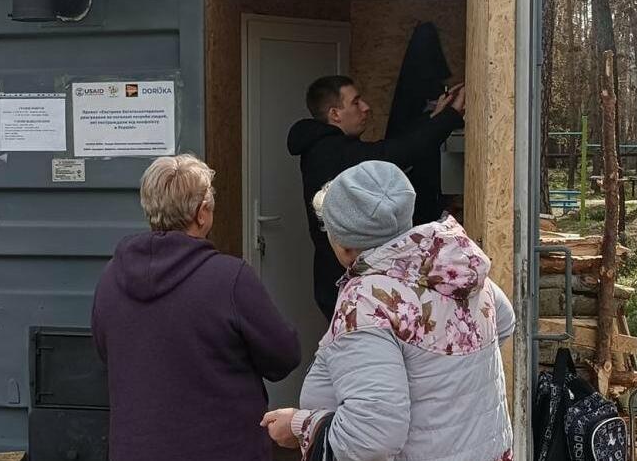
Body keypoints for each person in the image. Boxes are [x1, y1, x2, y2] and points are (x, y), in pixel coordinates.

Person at [261, 161, 515, 461]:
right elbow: (504, 321)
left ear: (343, 244)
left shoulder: (367, 300)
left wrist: (300, 426)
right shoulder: (451, 267)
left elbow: (371, 436)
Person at [92, 154, 301, 461]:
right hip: (223, 449)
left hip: (135, 449)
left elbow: (105, 352)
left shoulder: (112, 276)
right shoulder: (230, 278)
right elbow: (283, 357)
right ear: (202, 214)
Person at [287, 75, 466, 320]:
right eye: (355, 102)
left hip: (339, 279)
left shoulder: (327, 146)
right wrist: (450, 117)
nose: (366, 107)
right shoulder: (329, 151)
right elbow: (394, 154)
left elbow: (391, 148)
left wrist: (433, 118)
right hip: (342, 283)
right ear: (335, 114)